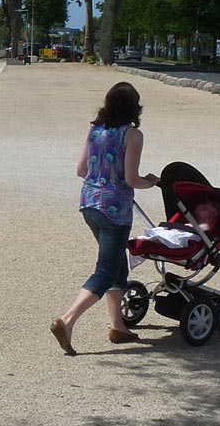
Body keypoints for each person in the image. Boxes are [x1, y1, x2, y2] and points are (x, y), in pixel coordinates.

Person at [50, 81, 160, 356]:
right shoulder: (132, 135)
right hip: (114, 210)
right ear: (135, 107)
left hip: (89, 203)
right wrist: (152, 181)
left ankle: (117, 326)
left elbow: (81, 169)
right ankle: (67, 320)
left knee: (117, 264)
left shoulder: (95, 129)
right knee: (106, 269)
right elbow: (130, 178)